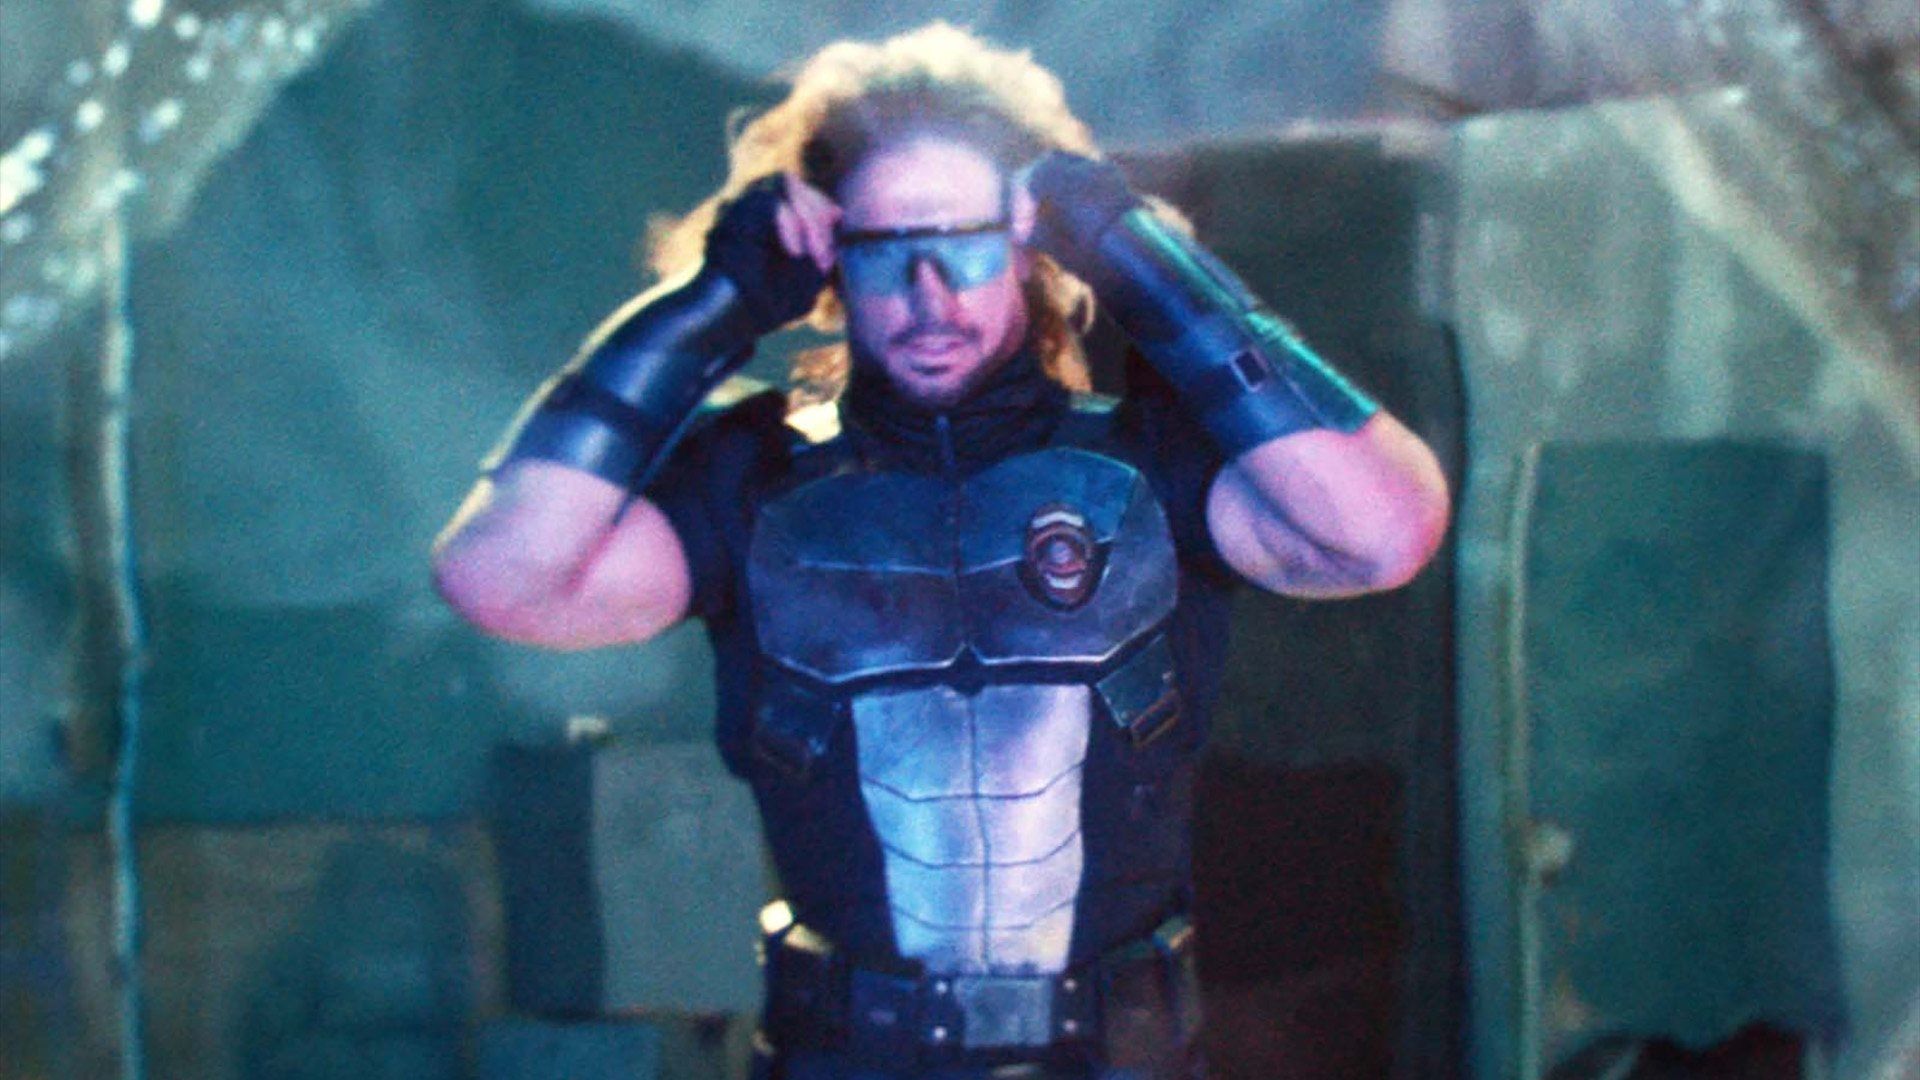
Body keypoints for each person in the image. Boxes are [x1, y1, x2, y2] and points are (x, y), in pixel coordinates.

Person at [433, 23, 1448, 1080]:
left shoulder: (1151, 465)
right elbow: (497, 576)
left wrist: (1138, 255)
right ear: (829, 261)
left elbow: (1386, 533)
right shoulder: (752, 483)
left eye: (961, 243)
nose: (930, 297)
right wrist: (707, 306)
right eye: (885, 250)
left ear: (1025, 243)